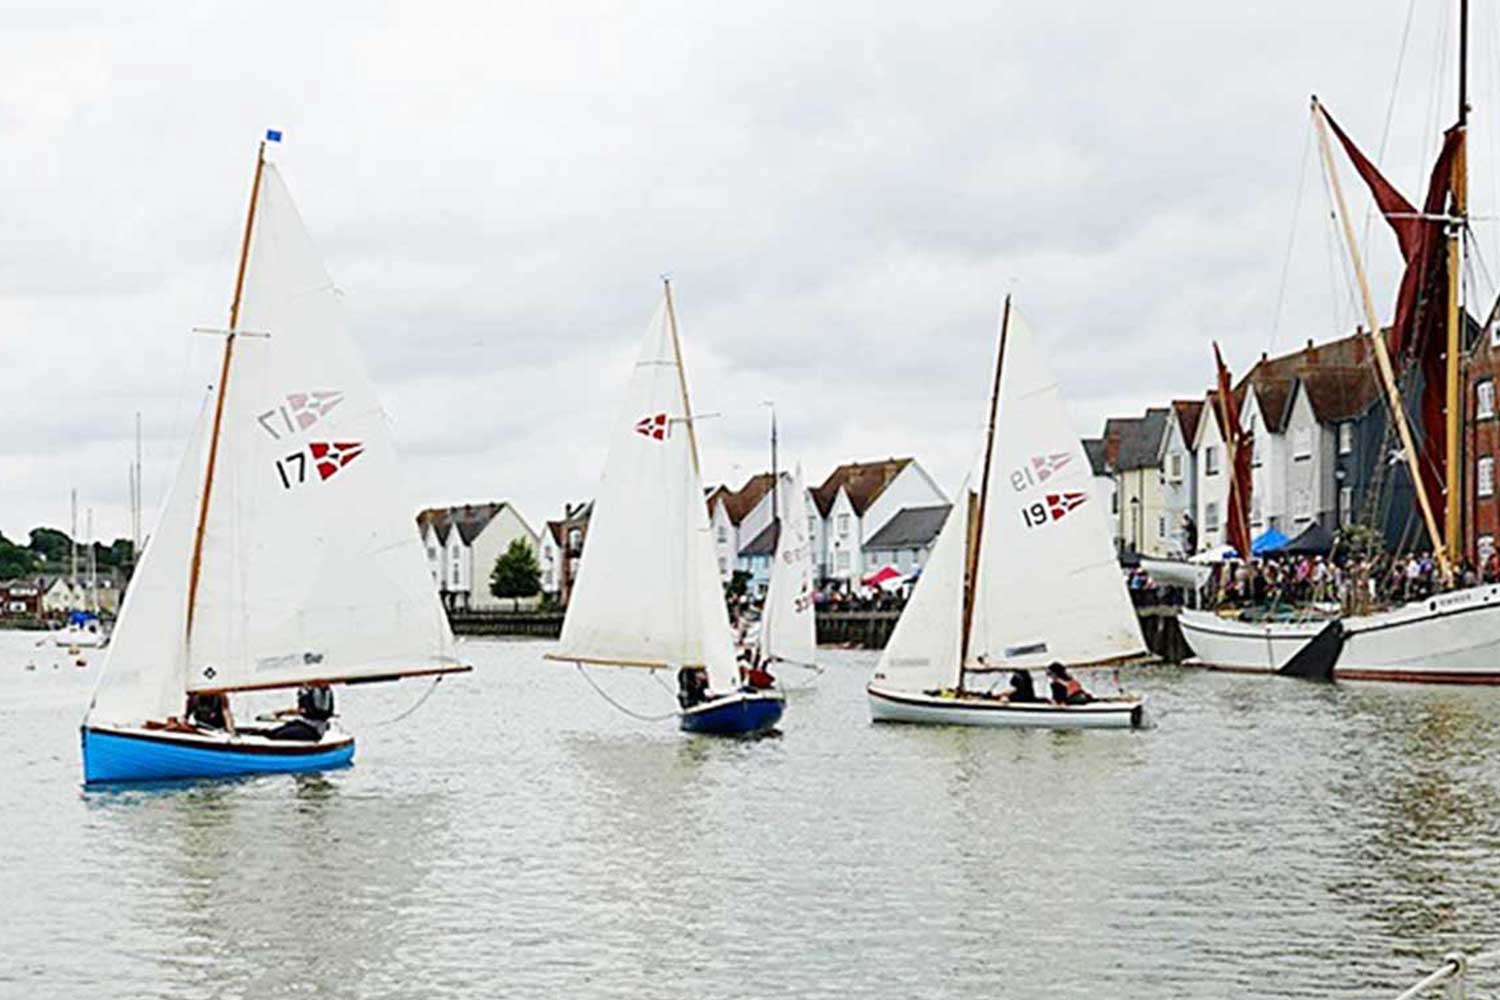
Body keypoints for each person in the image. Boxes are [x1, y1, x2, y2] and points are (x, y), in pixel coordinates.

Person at [264, 682, 335, 742]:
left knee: (278, 735)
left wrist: (285, 712)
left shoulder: (322, 692)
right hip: (304, 724)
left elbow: (317, 711)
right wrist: (283, 712)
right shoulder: (307, 691)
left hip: (314, 730)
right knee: (271, 732)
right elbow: (302, 709)